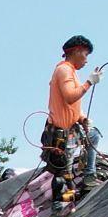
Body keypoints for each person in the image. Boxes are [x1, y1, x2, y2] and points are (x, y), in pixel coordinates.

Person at [43, 34, 102, 207]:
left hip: (70, 129)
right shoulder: (64, 70)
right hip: (60, 134)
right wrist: (89, 82)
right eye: (85, 54)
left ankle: (89, 176)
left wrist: (82, 118)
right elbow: (70, 97)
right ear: (76, 51)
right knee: (63, 174)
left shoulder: (70, 72)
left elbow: (72, 105)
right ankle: (58, 205)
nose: (86, 60)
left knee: (93, 135)